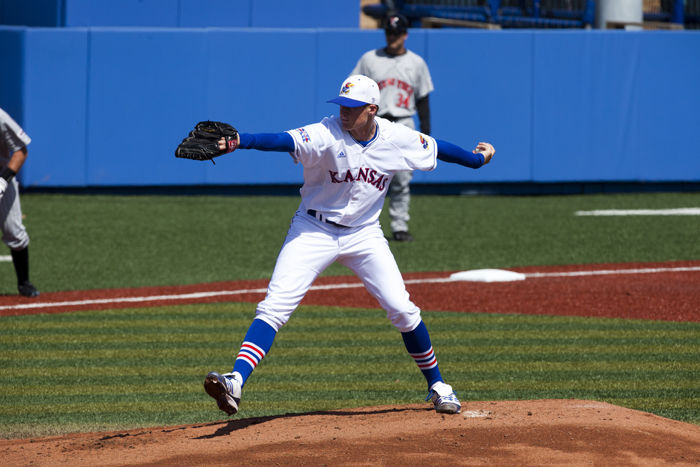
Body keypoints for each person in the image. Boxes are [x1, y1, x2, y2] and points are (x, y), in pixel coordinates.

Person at [202, 75, 494, 417]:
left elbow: (436, 147)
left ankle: (438, 385)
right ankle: (236, 380)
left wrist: (476, 160)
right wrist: (241, 140)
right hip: (312, 229)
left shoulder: (394, 137)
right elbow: (283, 140)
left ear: (372, 109)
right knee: (275, 305)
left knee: (402, 309)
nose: (344, 113)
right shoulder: (325, 133)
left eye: (353, 108)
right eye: (342, 105)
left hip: (365, 234)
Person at [349, 13, 433, 242]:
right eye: (389, 32)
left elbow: (423, 100)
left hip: (404, 123)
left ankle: (399, 227)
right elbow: (352, 89)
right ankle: (354, 224)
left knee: (402, 179)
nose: (392, 37)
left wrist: (425, 132)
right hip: (373, 122)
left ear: (405, 34)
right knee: (361, 175)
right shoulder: (370, 59)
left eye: (396, 33)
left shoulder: (416, 63)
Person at [0, 107, 39, 298]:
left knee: (14, 232)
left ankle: (24, 282)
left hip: (2, 177)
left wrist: (3, 179)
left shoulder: (0, 117)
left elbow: (20, 151)